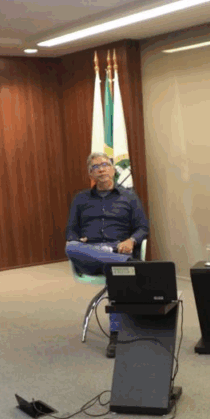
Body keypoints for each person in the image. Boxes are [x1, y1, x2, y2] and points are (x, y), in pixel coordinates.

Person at [65, 152, 149, 358]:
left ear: (112, 169)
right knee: (71, 247)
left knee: (114, 272)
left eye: (105, 164)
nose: (101, 169)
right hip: (90, 254)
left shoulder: (129, 197)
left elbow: (143, 228)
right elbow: (70, 231)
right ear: (90, 174)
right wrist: (77, 239)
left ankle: (116, 335)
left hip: (116, 249)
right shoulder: (81, 198)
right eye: (95, 167)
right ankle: (127, 263)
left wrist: (131, 241)